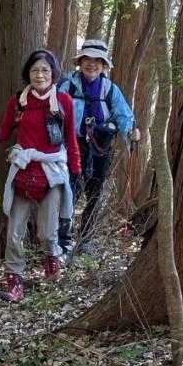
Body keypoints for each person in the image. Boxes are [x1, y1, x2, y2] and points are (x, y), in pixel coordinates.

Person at [0, 49, 81, 302]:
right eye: (35, 70)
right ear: (28, 74)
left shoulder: (64, 101)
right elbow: (4, 131)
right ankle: (14, 279)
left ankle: (52, 260)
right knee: (14, 232)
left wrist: (75, 169)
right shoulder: (18, 102)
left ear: (53, 73)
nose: (40, 75)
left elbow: (71, 138)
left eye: (45, 70)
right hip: (23, 169)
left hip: (52, 172)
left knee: (47, 232)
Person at [59, 38, 139, 252]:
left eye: (97, 61)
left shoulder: (110, 89)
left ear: (104, 65)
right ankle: (63, 238)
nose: (91, 64)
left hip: (101, 148)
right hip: (72, 146)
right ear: (80, 61)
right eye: (87, 59)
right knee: (69, 189)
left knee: (95, 192)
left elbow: (123, 115)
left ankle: (86, 238)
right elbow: (53, 111)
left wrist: (131, 131)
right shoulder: (67, 86)